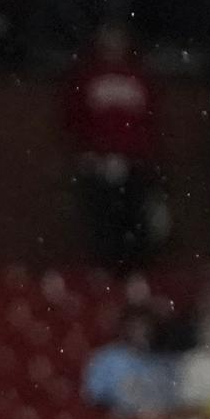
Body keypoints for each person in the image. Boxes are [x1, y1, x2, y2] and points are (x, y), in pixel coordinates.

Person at [64, 20, 162, 269]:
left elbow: (151, 120)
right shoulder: (88, 76)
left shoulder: (139, 77)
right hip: (99, 161)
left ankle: (132, 270)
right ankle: (105, 270)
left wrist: (145, 155)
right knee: (102, 219)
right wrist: (87, 153)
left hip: (133, 162)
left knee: (134, 219)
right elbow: (74, 119)